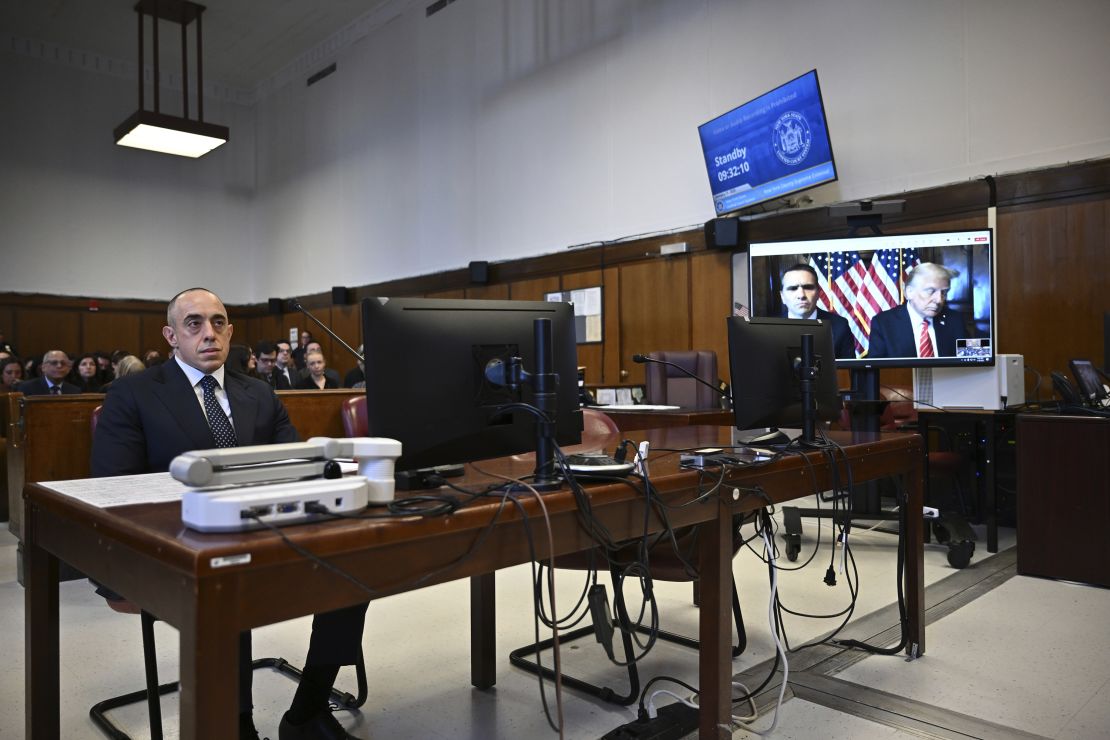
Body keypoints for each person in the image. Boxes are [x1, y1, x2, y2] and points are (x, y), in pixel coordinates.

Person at [90, 288, 365, 740]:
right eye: (193, 323)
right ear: (172, 335)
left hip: (265, 528)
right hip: (178, 540)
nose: (208, 333)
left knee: (354, 561)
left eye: (218, 322)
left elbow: (294, 466)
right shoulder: (132, 393)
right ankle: (234, 725)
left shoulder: (257, 391)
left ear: (231, 331)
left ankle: (308, 711)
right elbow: (117, 489)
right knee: (225, 575)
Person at [866, 262, 975, 359]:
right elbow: (878, 372)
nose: (939, 300)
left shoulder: (955, 320)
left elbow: (973, 359)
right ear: (909, 292)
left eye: (944, 293)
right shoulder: (884, 323)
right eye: (930, 291)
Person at [779, 263, 855, 359]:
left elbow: (849, 371)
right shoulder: (769, 329)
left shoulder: (839, 326)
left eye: (808, 287)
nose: (801, 295)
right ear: (782, 296)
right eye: (793, 288)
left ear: (819, 293)